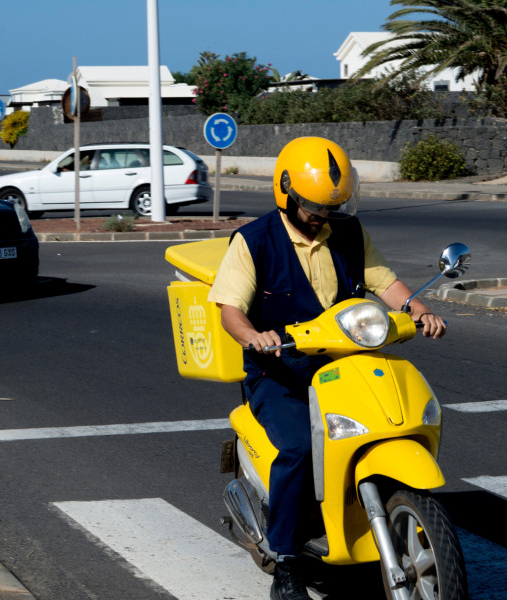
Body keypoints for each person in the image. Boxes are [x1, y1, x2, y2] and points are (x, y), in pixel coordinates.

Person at [208, 136, 446, 600]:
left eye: (332, 207)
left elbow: (386, 283)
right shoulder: (254, 241)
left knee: (388, 421)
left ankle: (366, 510)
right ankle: (288, 562)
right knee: (298, 447)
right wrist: (255, 337)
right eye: (315, 208)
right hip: (280, 372)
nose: (324, 217)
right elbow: (230, 310)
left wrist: (418, 309)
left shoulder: (349, 233)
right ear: (288, 194)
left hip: (344, 362)